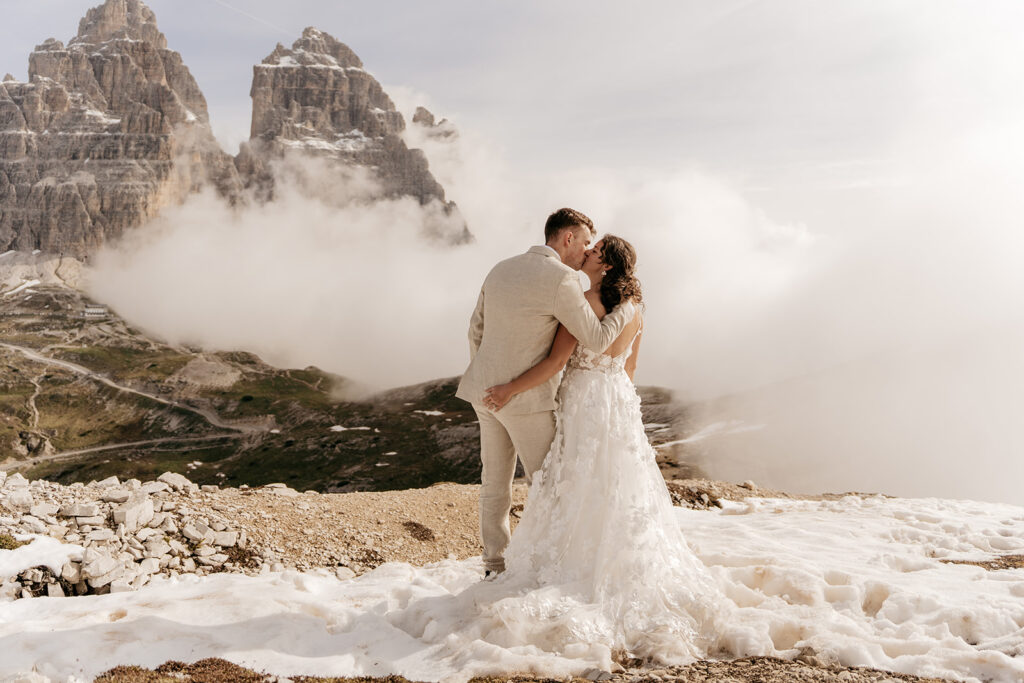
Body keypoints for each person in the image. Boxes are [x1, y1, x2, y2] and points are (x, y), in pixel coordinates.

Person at [481, 234, 728, 664]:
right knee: (619, 485)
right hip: (615, 401)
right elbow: (629, 367)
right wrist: (618, 409)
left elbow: (557, 364)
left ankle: (573, 562)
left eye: (595, 252)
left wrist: (509, 389)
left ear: (607, 266)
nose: (588, 253)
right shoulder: (635, 309)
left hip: (582, 401)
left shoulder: (587, 306)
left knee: (577, 478)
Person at [455, 208, 635, 577]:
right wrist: (628, 308)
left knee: (494, 484)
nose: (587, 251)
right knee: (547, 484)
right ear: (567, 238)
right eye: (585, 242)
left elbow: (476, 330)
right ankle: (543, 564)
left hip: (484, 392)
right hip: (525, 400)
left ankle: (494, 564)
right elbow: (597, 339)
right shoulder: (563, 281)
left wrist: (487, 380)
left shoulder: (500, 268)